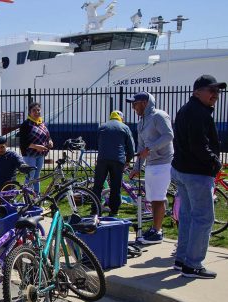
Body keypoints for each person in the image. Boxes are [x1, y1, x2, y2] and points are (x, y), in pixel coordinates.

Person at [171, 75, 226, 279]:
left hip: (183, 170)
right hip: (196, 172)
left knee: (187, 215)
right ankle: (192, 264)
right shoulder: (198, 113)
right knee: (203, 218)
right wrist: (215, 162)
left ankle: (182, 259)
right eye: (211, 90)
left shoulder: (188, 109)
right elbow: (199, 145)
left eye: (217, 91)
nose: (215, 95)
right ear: (197, 91)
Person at [127, 91, 174, 244]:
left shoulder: (159, 116)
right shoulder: (140, 123)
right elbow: (141, 148)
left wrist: (150, 148)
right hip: (152, 165)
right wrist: (136, 168)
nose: (134, 108)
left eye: (135, 104)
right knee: (153, 199)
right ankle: (155, 228)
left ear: (144, 103)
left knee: (159, 198)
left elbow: (168, 135)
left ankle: (158, 231)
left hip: (164, 162)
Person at [91, 110, 136, 217]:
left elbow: (97, 143)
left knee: (98, 185)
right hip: (118, 160)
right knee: (115, 186)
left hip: (102, 159)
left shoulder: (102, 127)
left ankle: (95, 209)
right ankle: (114, 210)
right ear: (121, 118)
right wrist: (128, 160)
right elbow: (131, 147)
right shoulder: (124, 127)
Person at [19, 102, 53, 194]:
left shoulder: (42, 123)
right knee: (30, 175)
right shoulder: (26, 124)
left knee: (37, 176)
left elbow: (47, 135)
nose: (36, 112)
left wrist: (50, 141)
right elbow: (23, 142)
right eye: (34, 110)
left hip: (40, 154)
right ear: (29, 112)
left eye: (38, 110)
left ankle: (36, 196)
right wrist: (36, 146)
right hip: (29, 154)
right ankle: (26, 195)